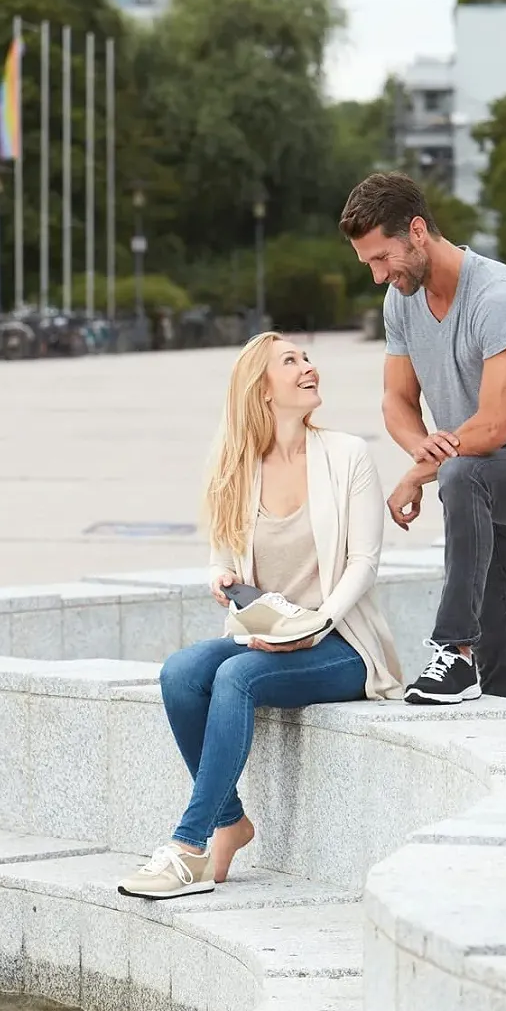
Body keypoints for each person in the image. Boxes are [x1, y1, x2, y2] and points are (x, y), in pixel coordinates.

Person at [118, 332, 403, 901]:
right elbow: (222, 557)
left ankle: (188, 847)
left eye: (307, 358)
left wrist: (318, 623)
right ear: (262, 390)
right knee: (181, 672)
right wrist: (220, 579)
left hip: (342, 644)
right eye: (291, 362)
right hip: (265, 637)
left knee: (234, 677)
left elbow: (365, 562)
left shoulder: (348, 455)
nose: (308, 368)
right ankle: (232, 822)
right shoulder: (237, 466)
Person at [340, 171, 506, 706]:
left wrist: (421, 473)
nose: (378, 276)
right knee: (500, 620)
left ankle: (454, 652)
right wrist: (424, 454)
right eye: (368, 264)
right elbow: (396, 401)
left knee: (464, 475)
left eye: (382, 258)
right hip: (472, 474)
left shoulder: (499, 297)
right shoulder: (402, 300)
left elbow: (495, 426)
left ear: (417, 231)